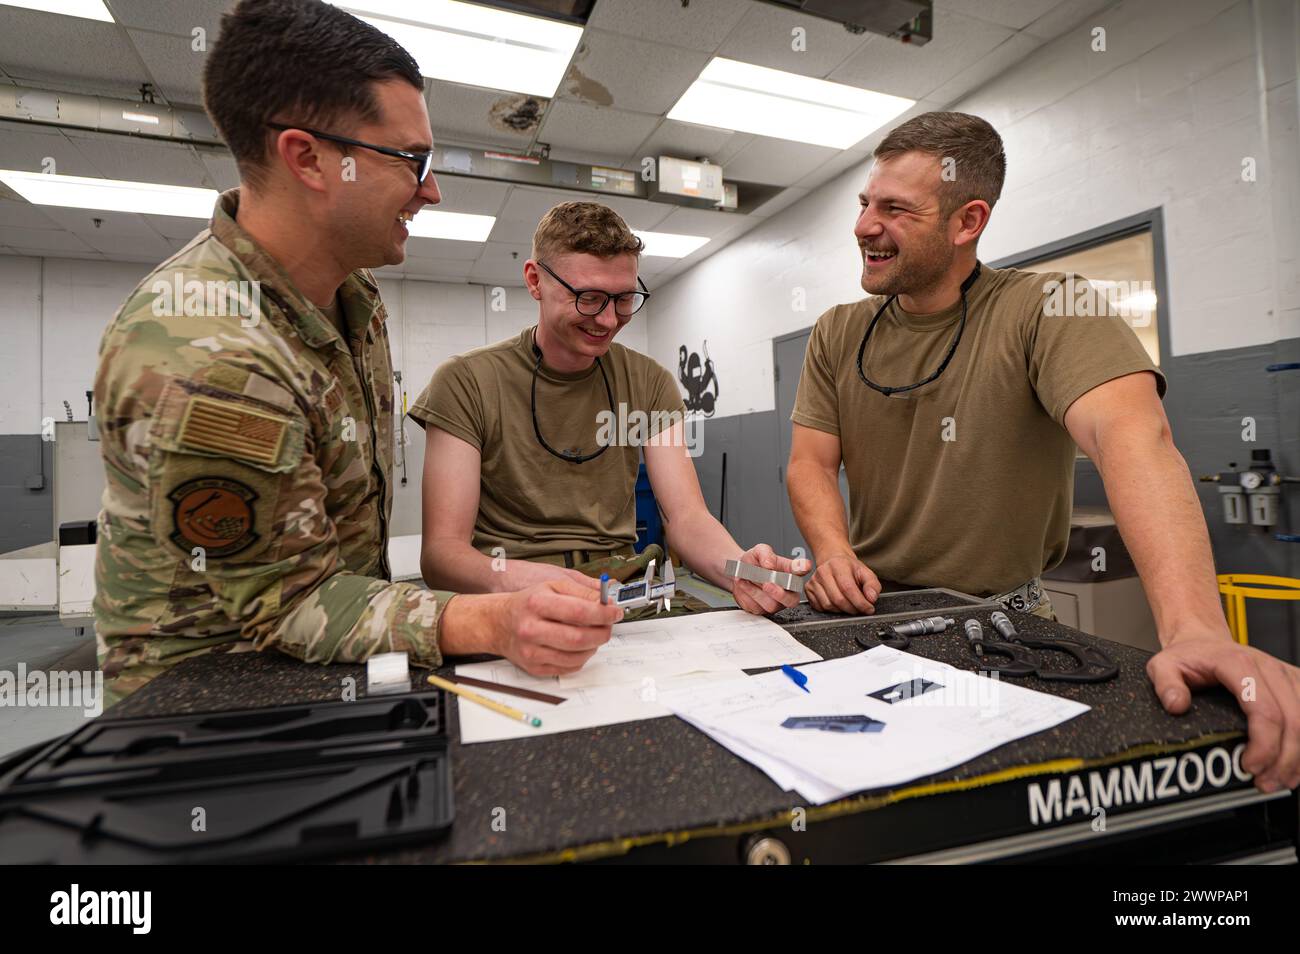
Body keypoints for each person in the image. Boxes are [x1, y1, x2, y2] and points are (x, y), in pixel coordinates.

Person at [93, 0, 619, 703]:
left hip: (322, 670)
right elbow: (290, 604)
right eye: (412, 160)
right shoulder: (202, 355)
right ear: (308, 158)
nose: (430, 190)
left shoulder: (353, 300)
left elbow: (334, 567)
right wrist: (492, 617)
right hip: (207, 710)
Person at [787, 110, 1300, 793]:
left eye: (894, 209)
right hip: (870, 614)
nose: (863, 226)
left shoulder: (1049, 307)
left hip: (1010, 621)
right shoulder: (835, 331)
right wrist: (832, 552)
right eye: (864, 204)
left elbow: (1134, 439)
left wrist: (1195, 630)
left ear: (967, 222)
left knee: (1018, 796)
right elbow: (811, 463)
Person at [412, 201, 808, 618]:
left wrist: (739, 569)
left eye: (623, 299)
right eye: (589, 298)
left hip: (622, 591)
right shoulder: (465, 382)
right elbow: (442, 555)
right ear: (535, 281)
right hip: (509, 596)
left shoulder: (648, 382)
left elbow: (687, 516)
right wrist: (519, 582)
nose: (606, 319)